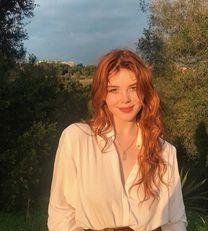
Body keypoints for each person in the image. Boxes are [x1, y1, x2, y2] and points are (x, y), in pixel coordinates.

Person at [48, 49, 187, 231]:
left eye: (133, 88)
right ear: (102, 94)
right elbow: (61, 213)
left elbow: (175, 221)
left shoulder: (165, 152)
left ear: (144, 91)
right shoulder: (77, 139)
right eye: (114, 90)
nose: (125, 99)